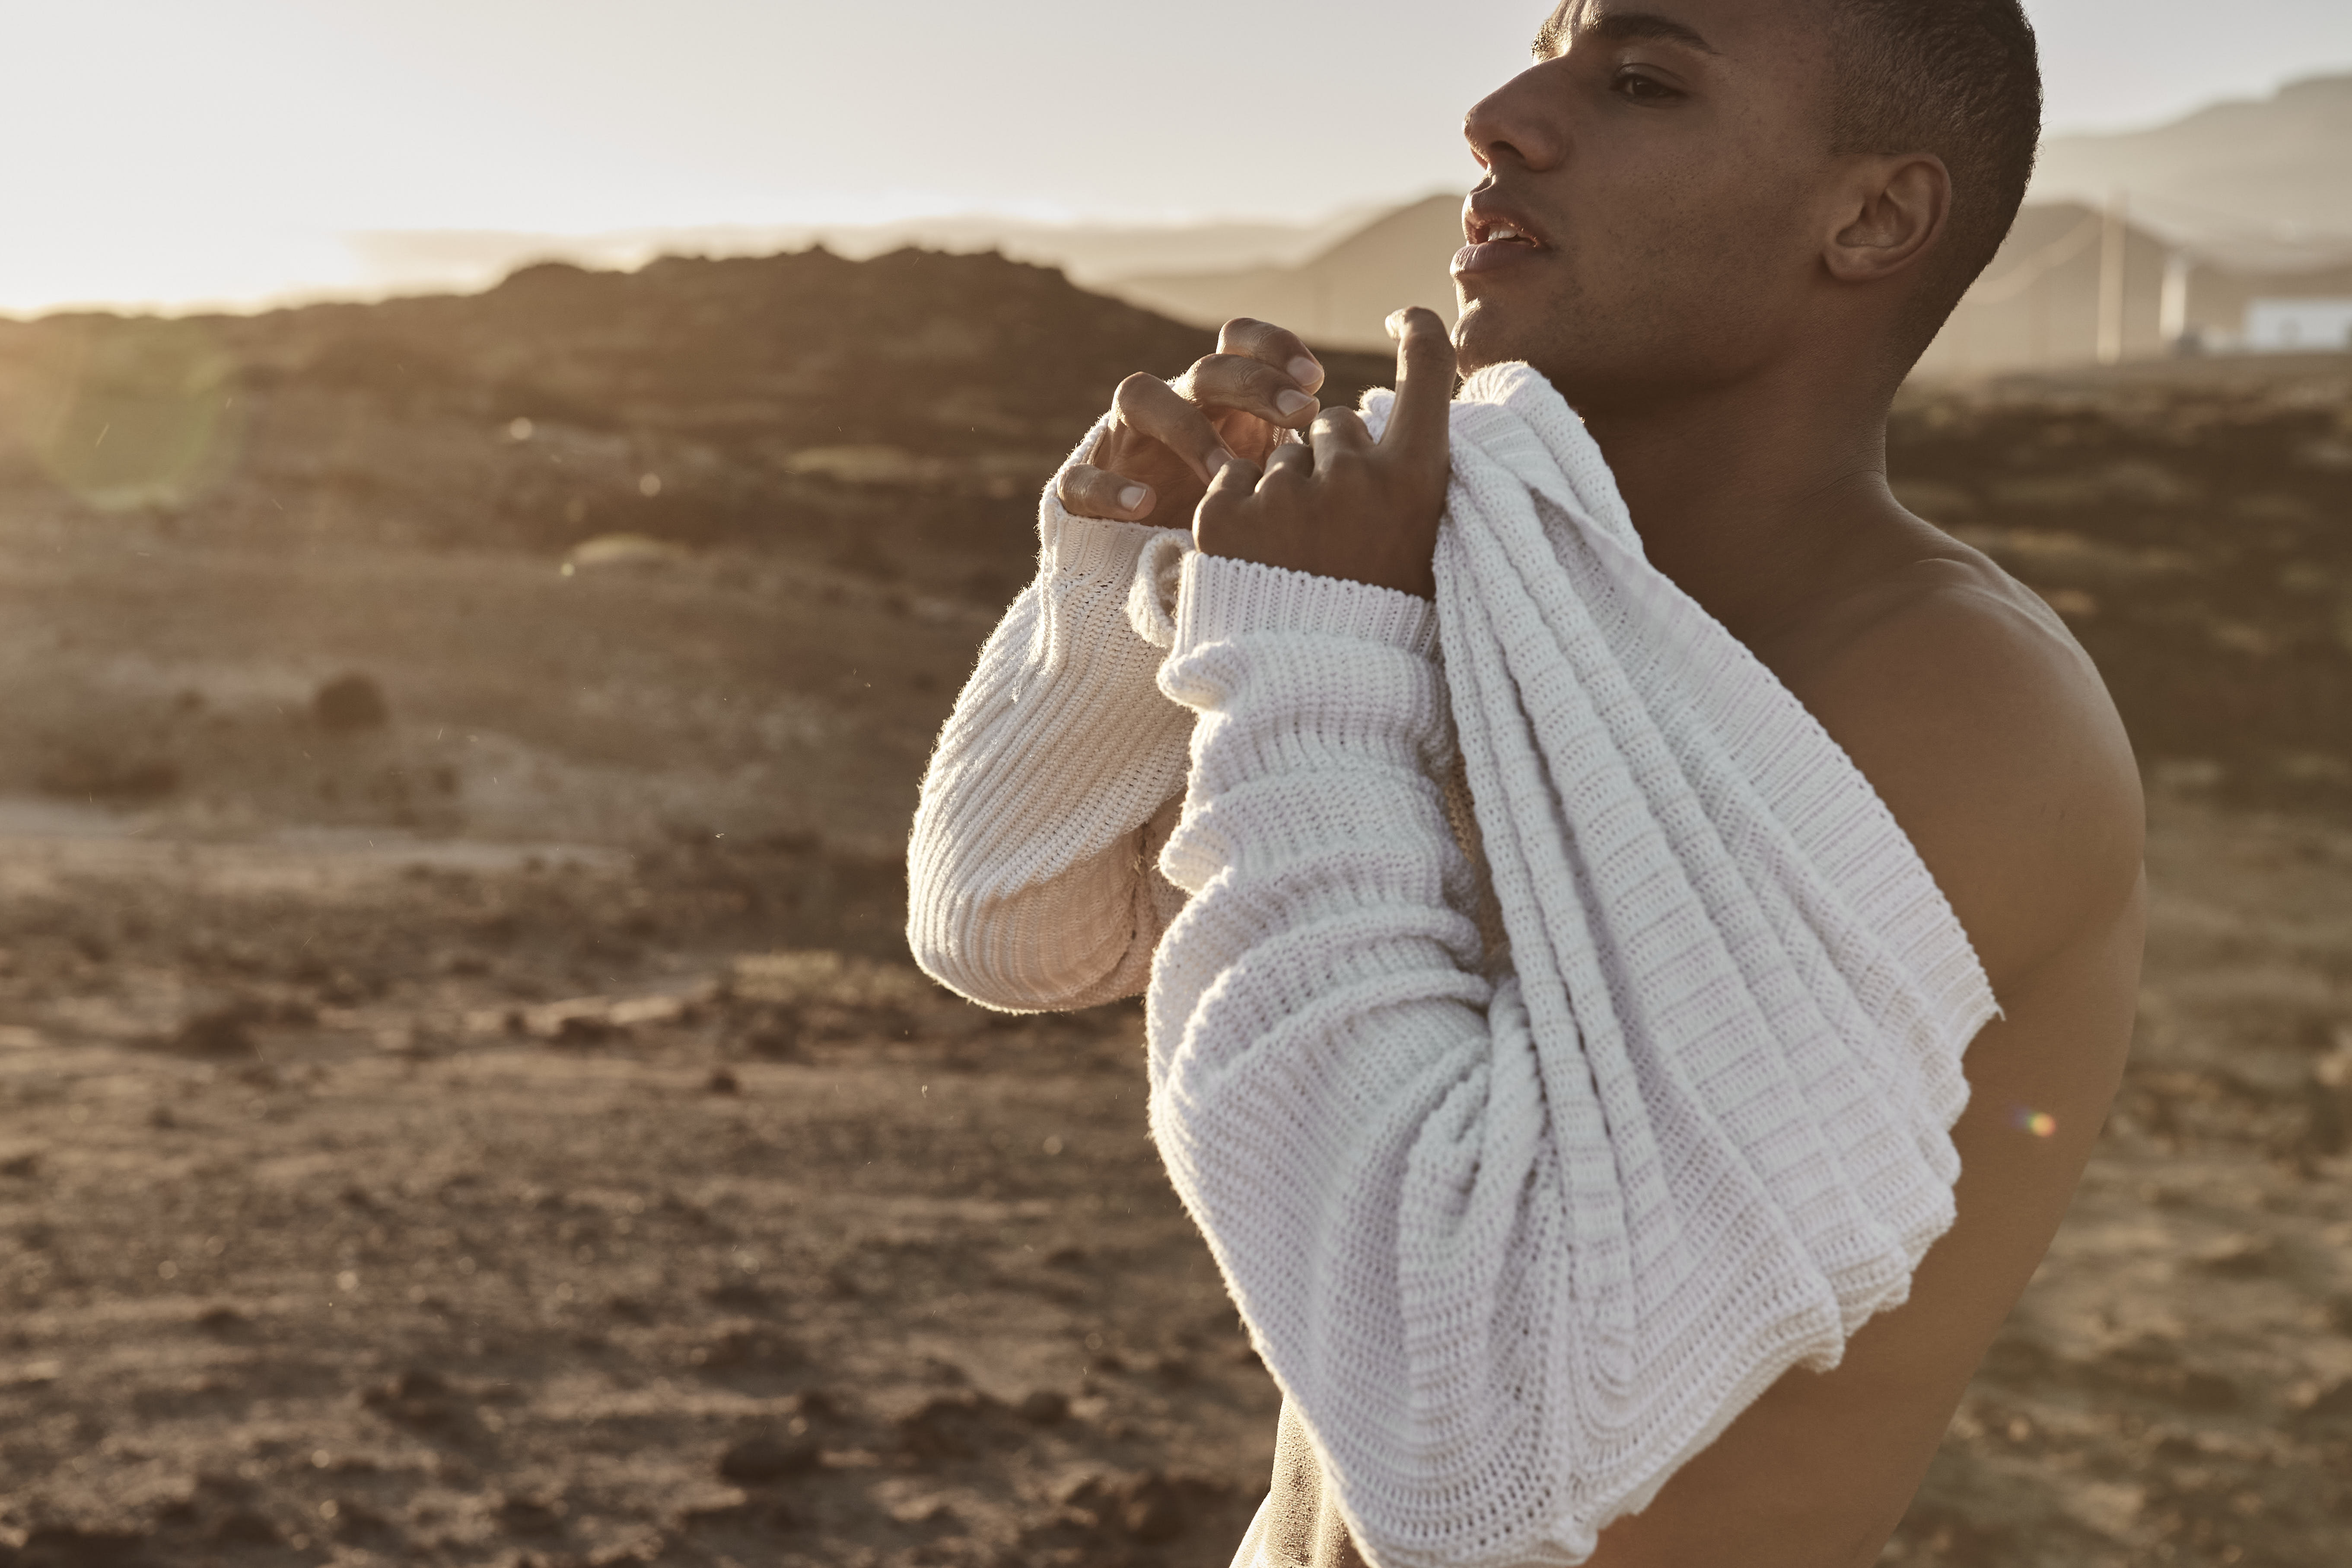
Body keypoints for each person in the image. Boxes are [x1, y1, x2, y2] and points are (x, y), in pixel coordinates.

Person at [908, 0, 2145, 1562]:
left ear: (1871, 218)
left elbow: (1474, 1449)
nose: (1498, 113)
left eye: (1640, 81)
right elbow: (1014, 927)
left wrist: (1312, 654)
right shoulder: (1501, 563)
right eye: (1543, 51)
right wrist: (1122, 586)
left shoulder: (1955, 697)